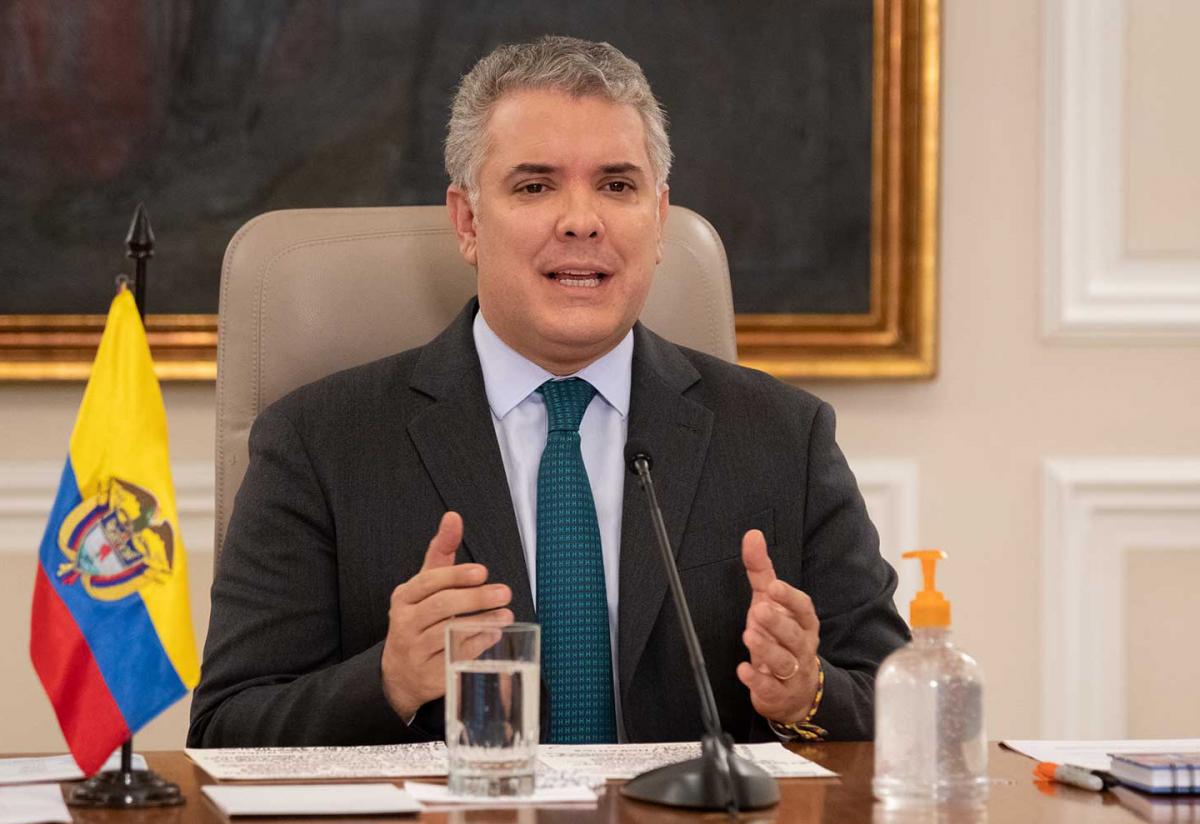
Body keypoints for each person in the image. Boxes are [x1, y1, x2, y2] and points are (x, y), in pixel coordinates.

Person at [188, 36, 909, 749]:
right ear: (467, 222)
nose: (581, 220)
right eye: (535, 186)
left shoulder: (782, 436)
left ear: (659, 220)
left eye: (617, 186)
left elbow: (896, 702)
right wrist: (390, 680)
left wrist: (807, 694)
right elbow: (225, 729)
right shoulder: (320, 444)